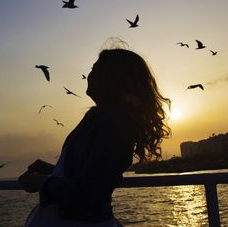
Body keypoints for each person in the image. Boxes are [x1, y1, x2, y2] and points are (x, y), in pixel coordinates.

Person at [19, 46, 171, 226]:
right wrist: (56, 170)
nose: (89, 74)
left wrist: (42, 183)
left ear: (112, 78)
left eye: (95, 68)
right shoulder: (99, 118)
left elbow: (90, 193)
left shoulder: (115, 125)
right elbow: (91, 173)